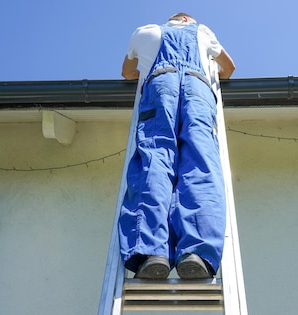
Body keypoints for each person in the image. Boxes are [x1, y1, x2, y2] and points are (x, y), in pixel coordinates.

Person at [119, 13, 235, 280]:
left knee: (155, 161)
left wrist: (146, 68)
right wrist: (211, 69)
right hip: (199, 89)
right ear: (187, 20)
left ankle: (152, 252)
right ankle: (196, 252)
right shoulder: (204, 32)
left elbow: (127, 73)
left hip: (160, 85)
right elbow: (229, 68)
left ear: (171, 20)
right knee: (200, 163)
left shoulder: (145, 31)